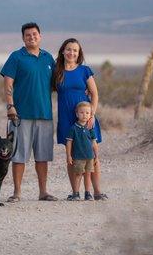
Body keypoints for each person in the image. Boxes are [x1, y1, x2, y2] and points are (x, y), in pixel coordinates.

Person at [0, 22, 58, 202]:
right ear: (23, 38)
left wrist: (83, 90)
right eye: (28, 35)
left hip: (45, 115)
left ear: (40, 36)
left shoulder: (48, 58)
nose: (31, 37)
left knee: (43, 157)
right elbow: (8, 83)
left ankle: (43, 192)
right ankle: (17, 193)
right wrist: (10, 106)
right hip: (21, 115)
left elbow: (58, 84)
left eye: (34, 34)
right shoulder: (16, 57)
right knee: (19, 156)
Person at [53, 37, 108, 200]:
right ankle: (75, 192)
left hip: (86, 118)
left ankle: (97, 192)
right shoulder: (57, 71)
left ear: (79, 53)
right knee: (71, 155)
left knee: (92, 153)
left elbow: (95, 93)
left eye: (75, 50)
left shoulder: (84, 70)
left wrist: (92, 115)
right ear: (63, 51)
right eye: (68, 49)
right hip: (66, 118)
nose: (71, 52)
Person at [65, 101, 99, 201]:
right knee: (78, 174)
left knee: (88, 175)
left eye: (87, 113)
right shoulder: (73, 128)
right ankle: (76, 193)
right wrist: (68, 156)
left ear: (90, 115)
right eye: (82, 112)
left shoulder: (90, 129)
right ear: (77, 114)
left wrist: (96, 156)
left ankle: (87, 193)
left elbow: (94, 143)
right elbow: (69, 143)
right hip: (78, 157)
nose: (84, 115)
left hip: (89, 157)